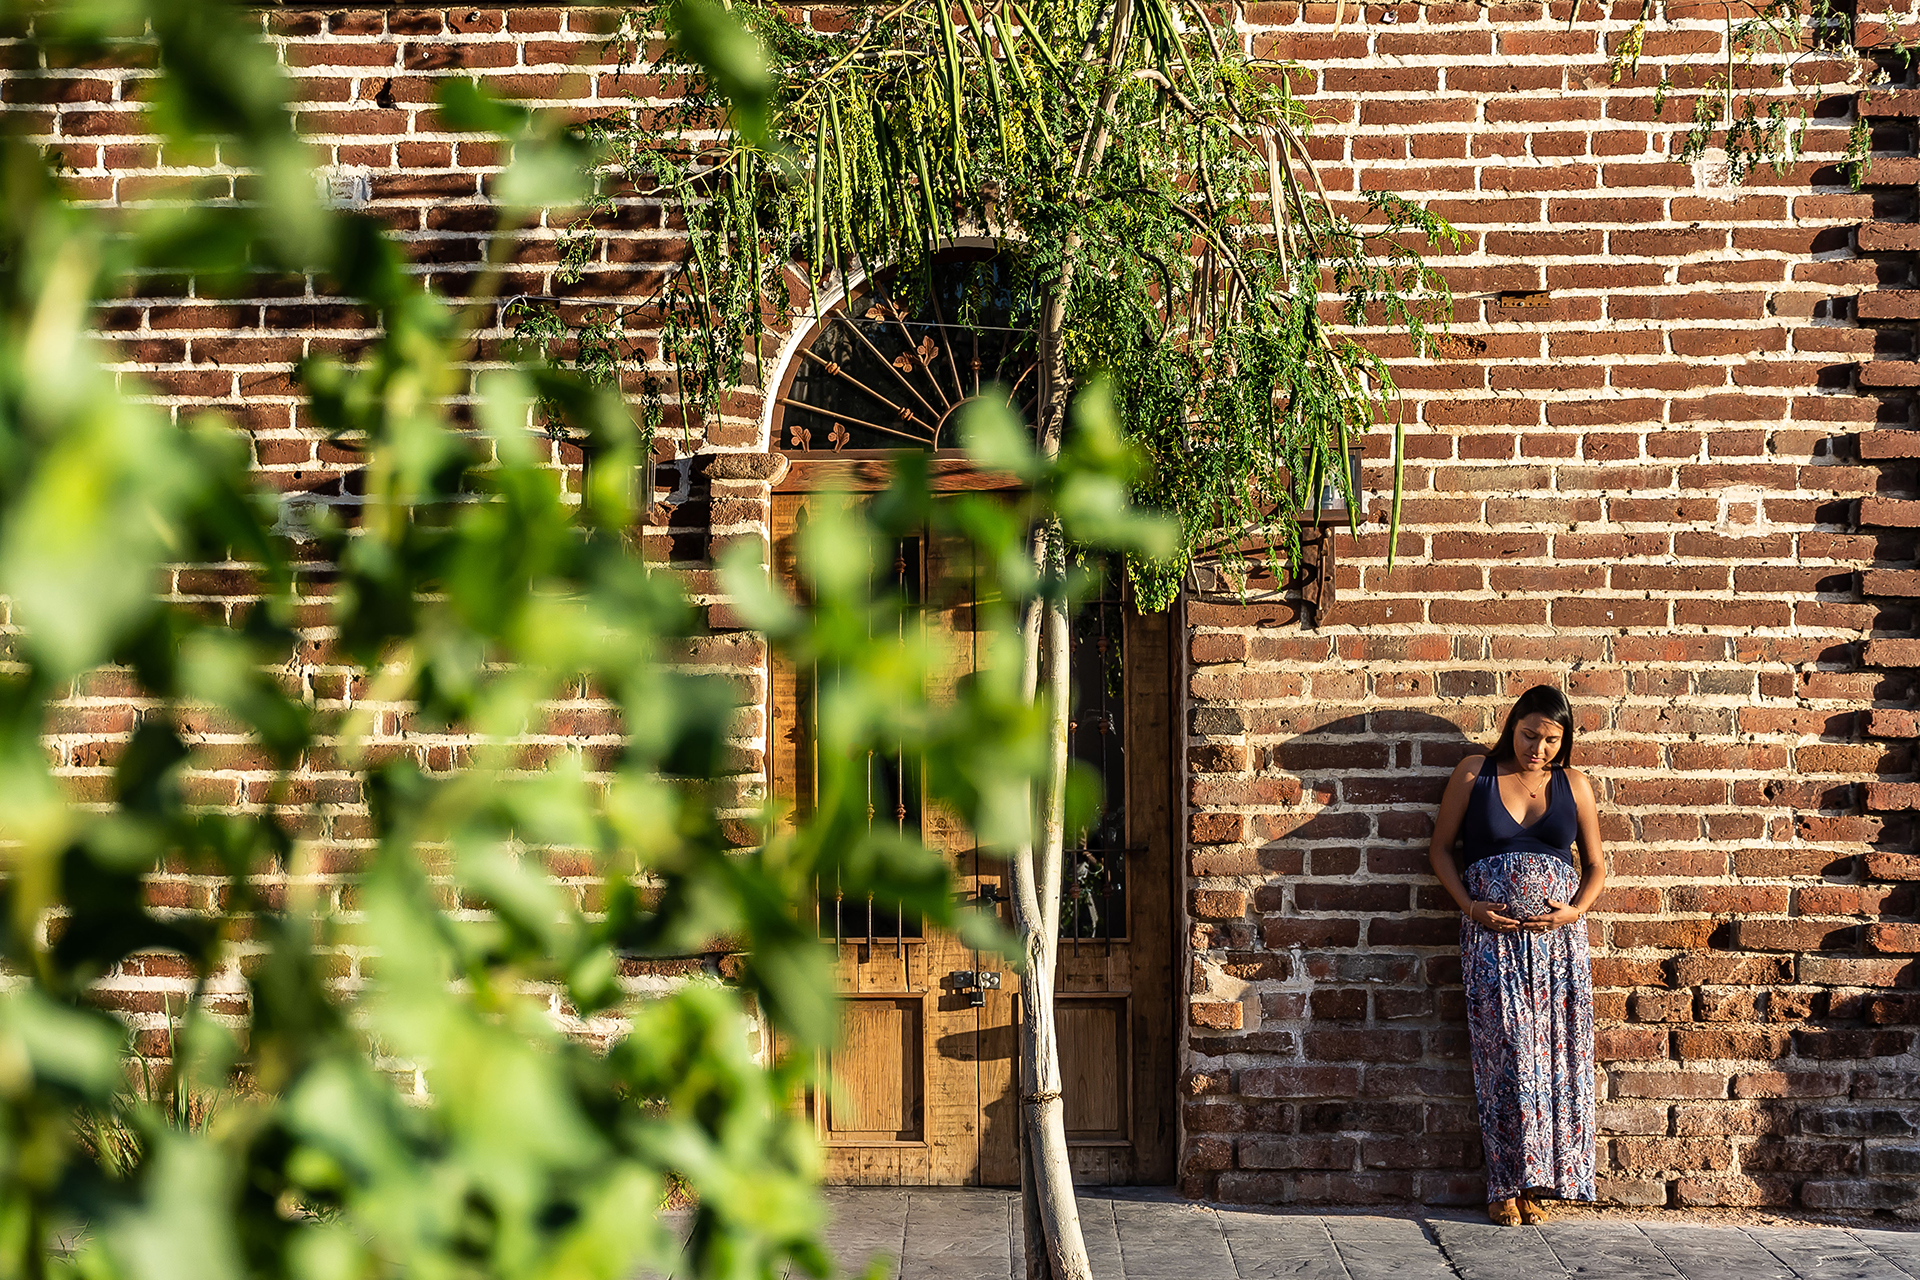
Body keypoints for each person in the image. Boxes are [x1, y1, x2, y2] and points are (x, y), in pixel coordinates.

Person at [1428, 685, 1607, 1226]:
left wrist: (1574, 911)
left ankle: (1543, 1183)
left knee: (1555, 1059)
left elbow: (1597, 865)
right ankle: (1503, 1183)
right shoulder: (1474, 773)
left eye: (1553, 739)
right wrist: (1470, 908)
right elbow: (1440, 850)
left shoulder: (1574, 784)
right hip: (1492, 941)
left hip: (1558, 946)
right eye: (1530, 735)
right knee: (1504, 1058)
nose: (1540, 748)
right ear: (1512, 728)